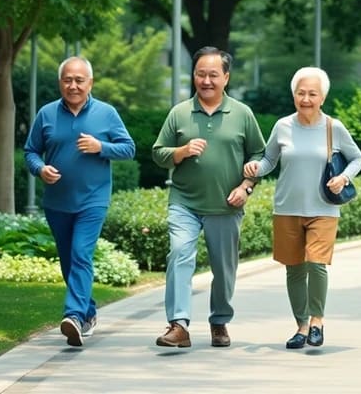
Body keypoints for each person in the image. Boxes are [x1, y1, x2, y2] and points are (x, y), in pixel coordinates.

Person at [151, 46, 266, 348]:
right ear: (194, 76)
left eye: (213, 75)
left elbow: (259, 154)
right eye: (201, 74)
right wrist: (181, 151)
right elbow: (158, 153)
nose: (206, 80)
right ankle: (178, 325)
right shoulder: (179, 113)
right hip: (184, 202)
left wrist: (246, 187)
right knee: (179, 255)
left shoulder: (242, 114)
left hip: (225, 207)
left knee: (224, 269)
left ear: (226, 77)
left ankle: (219, 321)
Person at [243, 67, 361, 349]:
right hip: (287, 208)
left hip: (323, 208)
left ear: (322, 97)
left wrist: (344, 177)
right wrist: (254, 168)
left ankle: (317, 321)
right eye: (301, 93)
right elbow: (269, 161)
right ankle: (301, 326)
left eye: (312, 93)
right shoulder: (283, 126)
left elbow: (357, 158)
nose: (306, 98)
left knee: (316, 262)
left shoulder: (334, 127)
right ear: (293, 95)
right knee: (294, 268)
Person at [24, 56, 136, 347]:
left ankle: (72, 315)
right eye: (67, 80)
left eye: (79, 80)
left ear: (90, 83)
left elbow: (129, 149)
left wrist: (101, 147)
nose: (73, 85)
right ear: (60, 82)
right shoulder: (47, 114)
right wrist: (40, 169)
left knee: (80, 255)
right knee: (68, 262)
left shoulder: (106, 113)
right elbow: (31, 152)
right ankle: (87, 313)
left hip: (93, 200)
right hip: (57, 202)